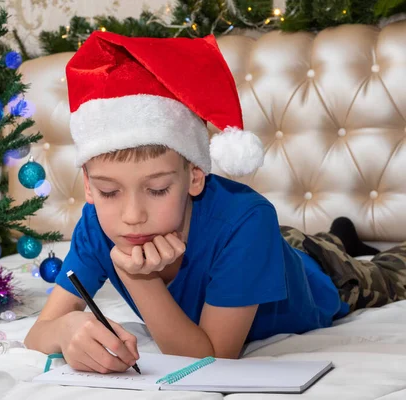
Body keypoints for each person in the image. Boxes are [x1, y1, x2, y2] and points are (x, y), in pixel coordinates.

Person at [24, 31, 406, 374]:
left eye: (157, 189)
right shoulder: (95, 224)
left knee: (380, 270)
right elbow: (37, 334)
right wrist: (66, 329)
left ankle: (340, 241)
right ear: (88, 185)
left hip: (321, 275)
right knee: (313, 239)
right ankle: (341, 233)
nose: (132, 216)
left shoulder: (248, 221)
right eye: (109, 192)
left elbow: (212, 361)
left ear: (195, 175)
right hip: (261, 247)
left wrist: (139, 279)